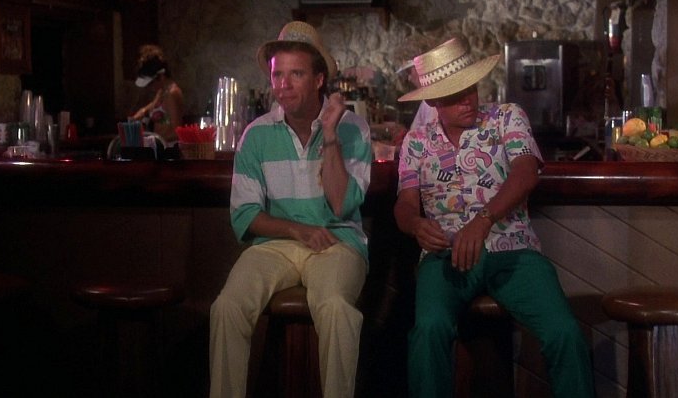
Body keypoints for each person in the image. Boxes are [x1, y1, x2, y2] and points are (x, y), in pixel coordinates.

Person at [393, 36, 595, 398]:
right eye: (455, 95)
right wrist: (415, 225)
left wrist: (483, 220)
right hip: (445, 254)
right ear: (433, 101)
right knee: (428, 330)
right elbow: (405, 203)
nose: (468, 100)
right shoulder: (416, 142)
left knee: (564, 331)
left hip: (512, 248)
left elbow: (526, 172)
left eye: (471, 89)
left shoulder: (506, 117)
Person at [209, 21, 372, 398]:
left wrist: (329, 136)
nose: (283, 84)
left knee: (336, 308)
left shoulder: (353, 129)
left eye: (295, 74)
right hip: (276, 245)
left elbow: (341, 204)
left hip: (337, 242)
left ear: (319, 79)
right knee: (227, 307)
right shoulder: (256, 134)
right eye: (277, 75)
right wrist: (297, 230)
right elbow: (245, 214)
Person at [129, 44, 184, 145]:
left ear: (161, 75)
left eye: (151, 83)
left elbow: (177, 132)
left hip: (169, 148)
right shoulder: (161, 92)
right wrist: (143, 112)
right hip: (159, 145)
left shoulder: (172, 94)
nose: (150, 87)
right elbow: (152, 107)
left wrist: (152, 139)